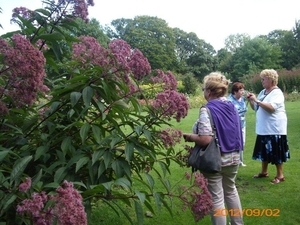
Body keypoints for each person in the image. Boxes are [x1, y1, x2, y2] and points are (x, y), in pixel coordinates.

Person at [183, 72, 244, 225]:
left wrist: (188, 136)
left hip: (215, 159)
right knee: (231, 191)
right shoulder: (232, 106)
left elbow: (205, 139)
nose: (203, 91)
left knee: (216, 197)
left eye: (203, 88)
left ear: (209, 91)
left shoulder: (207, 109)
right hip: (234, 157)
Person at [247, 69, 290, 184]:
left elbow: (271, 108)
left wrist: (257, 100)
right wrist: (252, 101)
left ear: (271, 79)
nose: (262, 81)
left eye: (264, 79)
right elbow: (256, 108)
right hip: (264, 128)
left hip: (275, 128)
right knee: (264, 151)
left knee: (276, 151)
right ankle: (264, 172)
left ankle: (280, 175)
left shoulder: (277, 93)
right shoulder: (263, 92)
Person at [227, 82, 248, 167]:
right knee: (235, 143)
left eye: (243, 90)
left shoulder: (243, 99)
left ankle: (240, 161)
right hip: (233, 125)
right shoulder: (229, 101)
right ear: (235, 92)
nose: (242, 92)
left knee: (242, 142)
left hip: (242, 124)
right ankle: (233, 160)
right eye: (240, 90)